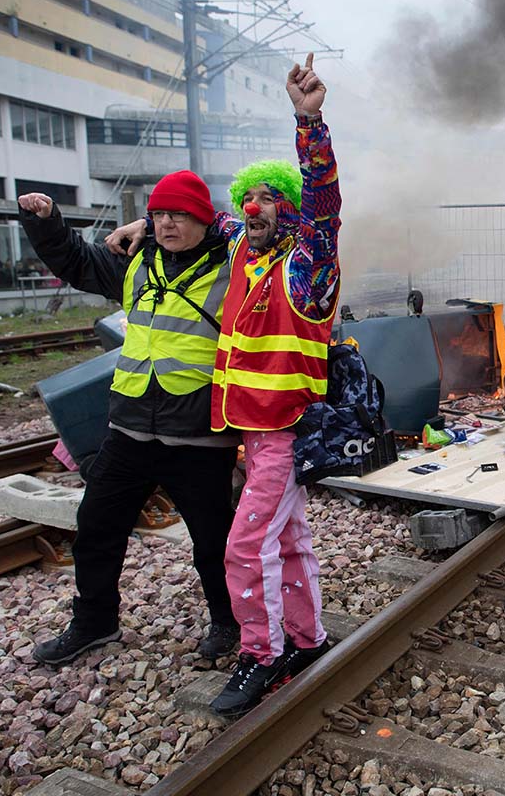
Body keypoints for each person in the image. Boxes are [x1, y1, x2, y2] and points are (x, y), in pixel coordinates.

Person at [108, 53, 340, 716]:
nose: (254, 207)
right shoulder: (244, 249)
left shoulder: (308, 262)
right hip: (252, 433)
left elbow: (323, 203)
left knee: (244, 547)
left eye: (269, 199)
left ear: (290, 210)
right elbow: (212, 220)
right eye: (249, 199)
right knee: (287, 541)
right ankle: (307, 640)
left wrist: (309, 122)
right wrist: (144, 225)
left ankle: (261, 655)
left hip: (286, 432)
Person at [17, 173, 241, 666]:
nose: (166, 224)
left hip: (199, 436)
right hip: (130, 428)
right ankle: (95, 623)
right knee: (96, 527)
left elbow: (273, 234)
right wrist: (46, 222)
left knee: (213, 541)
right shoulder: (137, 261)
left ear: (205, 219)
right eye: (159, 215)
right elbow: (75, 261)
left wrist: (147, 221)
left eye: (178, 215)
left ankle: (228, 621)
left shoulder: (236, 264)